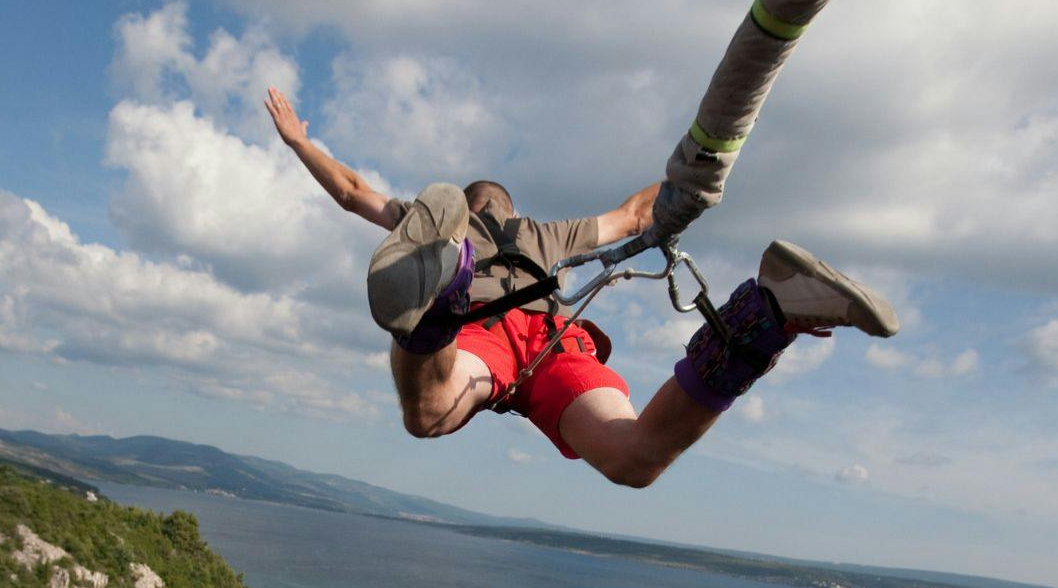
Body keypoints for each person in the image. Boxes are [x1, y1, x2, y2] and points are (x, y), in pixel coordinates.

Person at [265, 87, 898, 488]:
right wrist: (698, 171)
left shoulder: (440, 223)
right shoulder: (548, 233)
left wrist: (299, 142)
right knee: (634, 461)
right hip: (548, 343)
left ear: (464, 207)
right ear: (509, 207)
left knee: (429, 415)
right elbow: (632, 214)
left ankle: (437, 307)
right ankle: (765, 317)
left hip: (487, 338)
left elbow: (351, 192)